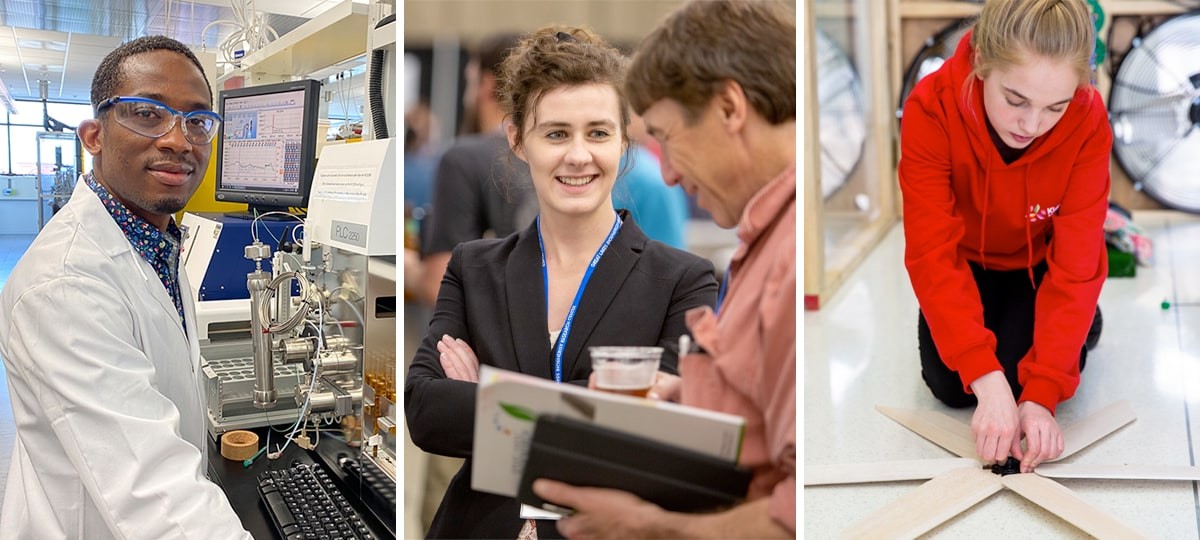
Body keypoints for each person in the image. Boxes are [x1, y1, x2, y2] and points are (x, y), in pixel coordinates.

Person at [404, 25, 719, 539]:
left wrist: (485, 390)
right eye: (555, 134)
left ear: (623, 139)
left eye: (597, 132)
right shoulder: (474, 267)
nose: (578, 155)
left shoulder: (682, 281)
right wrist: (594, 409)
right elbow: (425, 412)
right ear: (517, 141)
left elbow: (654, 437)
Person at [529, 1, 797, 537]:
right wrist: (695, 402)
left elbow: (793, 517)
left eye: (668, 139)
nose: (669, 174)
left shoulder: (787, 258)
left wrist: (651, 528)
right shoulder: (762, 241)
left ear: (729, 108)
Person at [0, 36, 251, 538]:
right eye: (148, 114)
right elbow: (157, 498)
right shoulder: (66, 284)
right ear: (93, 135)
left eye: (197, 122)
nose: (179, 141)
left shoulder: (153, 239)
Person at [898, 0, 1110, 474]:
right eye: (1016, 100)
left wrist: (1044, 394)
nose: (1032, 126)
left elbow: (1076, 264)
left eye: (1055, 106)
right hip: (965, 262)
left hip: (1038, 265)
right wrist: (984, 376)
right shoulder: (929, 109)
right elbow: (932, 253)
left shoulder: (1090, 119)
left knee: (1028, 381)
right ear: (980, 65)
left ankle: (1082, 324)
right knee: (952, 387)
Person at [418, 32, 539, 307]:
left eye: (468, 82)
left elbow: (440, 286)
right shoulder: (555, 156)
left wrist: (410, 270)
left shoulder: (462, 158)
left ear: (486, 84)